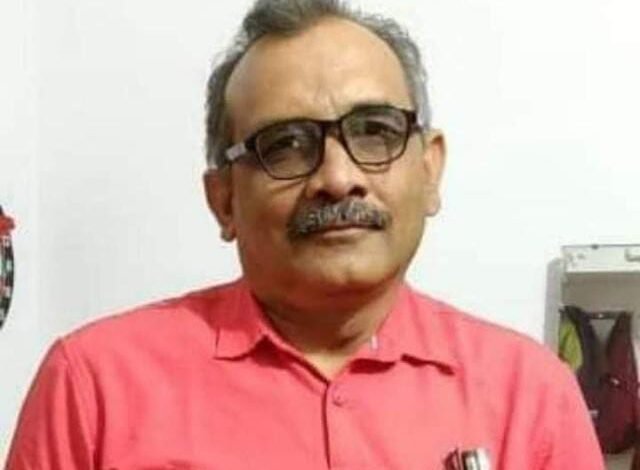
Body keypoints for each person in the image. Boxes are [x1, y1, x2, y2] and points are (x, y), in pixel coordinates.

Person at [6, 0, 605, 468]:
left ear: (429, 170)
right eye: (286, 144)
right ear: (223, 200)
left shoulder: (530, 395)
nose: (338, 179)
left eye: (375, 131)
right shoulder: (94, 387)